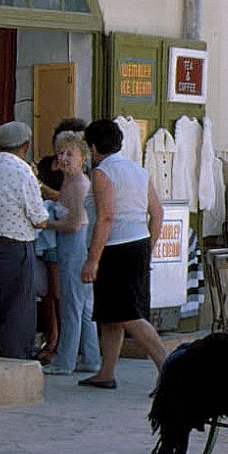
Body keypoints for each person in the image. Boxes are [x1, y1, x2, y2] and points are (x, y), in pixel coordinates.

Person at [77, 118, 166, 390]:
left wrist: (93, 259)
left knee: (128, 314)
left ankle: (169, 367)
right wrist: (149, 246)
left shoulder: (103, 172)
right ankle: (106, 372)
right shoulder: (137, 170)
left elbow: (106, 217)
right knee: (110, 314)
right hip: (138, 242)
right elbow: (158, 212)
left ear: (92, 147)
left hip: (115, 247)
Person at [0, 120, 50, 364]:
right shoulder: (22, 173)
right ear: (25, 146)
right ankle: (17, 359)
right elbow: (39, 219)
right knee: (19, 307)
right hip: (16, 246)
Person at [42, 131, 95, 375]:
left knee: (72, 305)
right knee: (83, 306)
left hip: (74, 245)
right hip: (71, 246)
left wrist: (45, 224)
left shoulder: (78, 184)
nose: (63, 158)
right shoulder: (70, 181)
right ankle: (91, 358)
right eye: (61, 153)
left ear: (82, 157)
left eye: (70, 154)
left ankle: (65, 361)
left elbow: (73, 224)